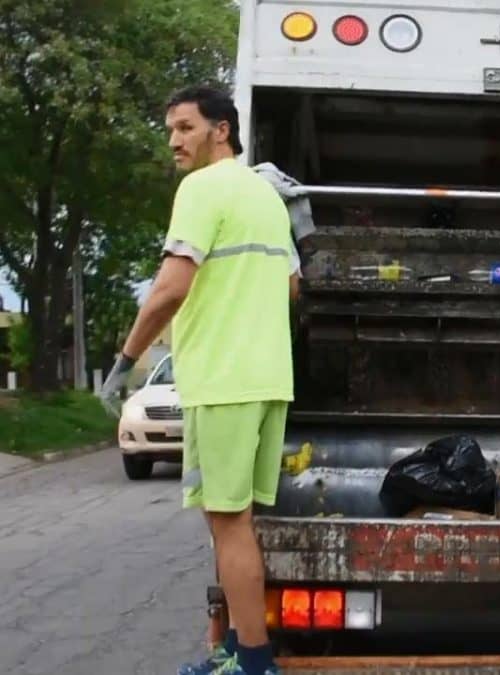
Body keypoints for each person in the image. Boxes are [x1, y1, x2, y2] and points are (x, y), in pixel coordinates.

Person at [98, 86, 300, 675]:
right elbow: (290, 286)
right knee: (239, 522)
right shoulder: (266, 194)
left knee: (227, 524)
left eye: (185, 127)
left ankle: (254, 664)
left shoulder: (202, 188)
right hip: (267, 380)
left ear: (222, 130)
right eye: (170, 131)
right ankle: (237, 649)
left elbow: (171, 286)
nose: (174, 142)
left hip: (224, 379)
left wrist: (126, 360)